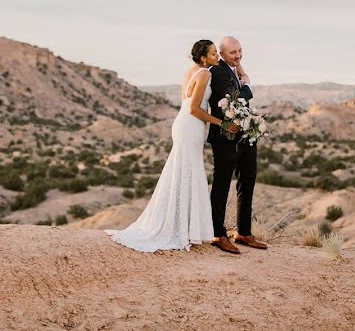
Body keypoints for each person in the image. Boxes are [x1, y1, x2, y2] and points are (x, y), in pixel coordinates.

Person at [106, 39, 228, 252]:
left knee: (181, 171)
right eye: (213, 54)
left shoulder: (190, 71)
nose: (217, 56)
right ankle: (180, 229)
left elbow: (185, 103)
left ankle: (180, 225)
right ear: (203, 58)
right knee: (187, 170)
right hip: (191, 124)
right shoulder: (205, 74)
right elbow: (194, 109)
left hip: (183, 124)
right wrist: (222, 122)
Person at [207, 36, 268, 253]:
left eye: (240, 51)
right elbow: (235, 102)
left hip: (244, 135)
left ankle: (243, 232)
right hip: (225, 137)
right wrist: (247, 84)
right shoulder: (218, 73)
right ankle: (217, 234)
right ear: (221, 54)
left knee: (247, 181)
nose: (238, 55)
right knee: (222, 184)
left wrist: (240, 69)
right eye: (233, 53)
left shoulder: (233, 68)